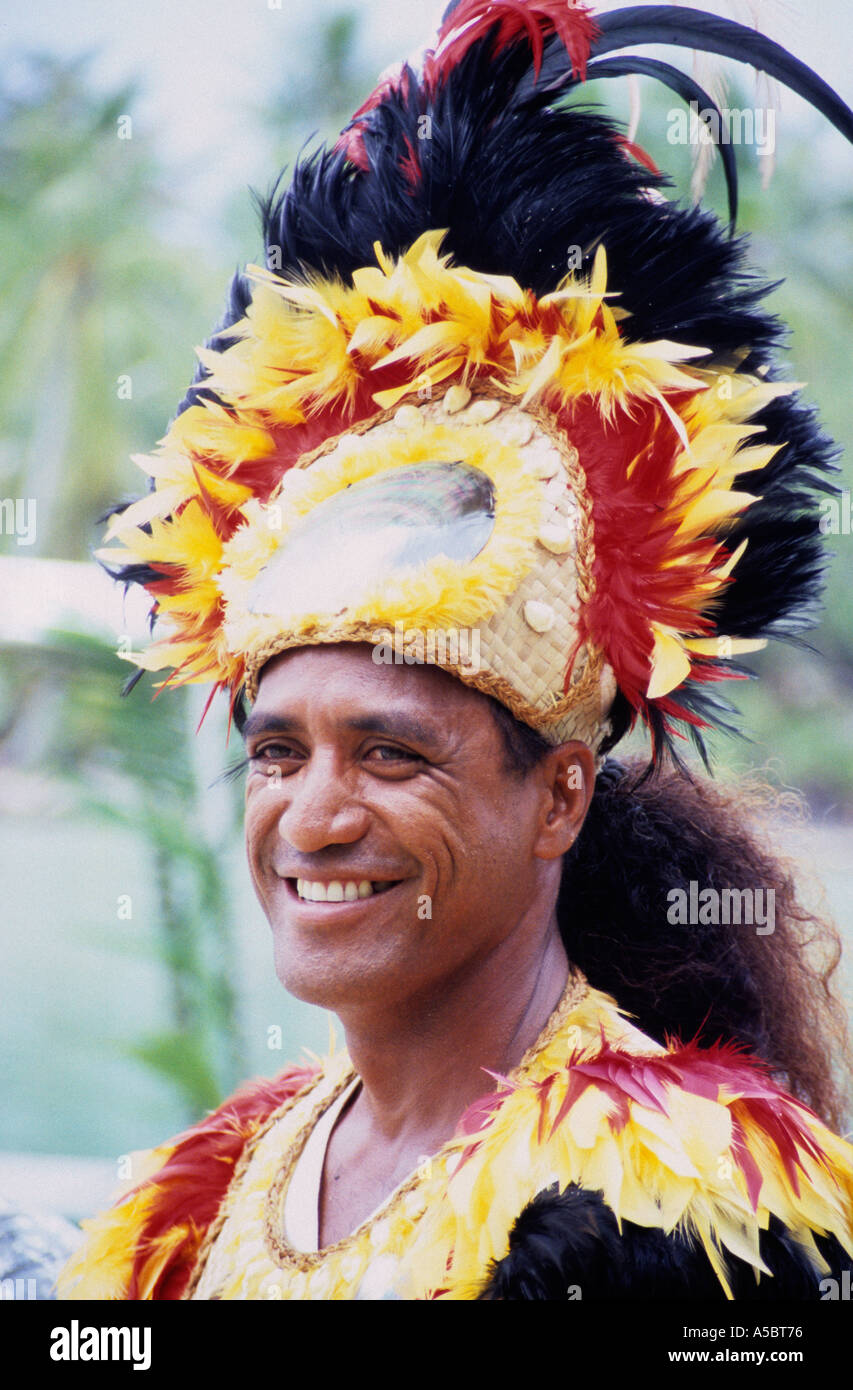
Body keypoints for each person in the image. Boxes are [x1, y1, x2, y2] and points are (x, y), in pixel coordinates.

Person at [57, 1, 853, 1300]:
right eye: (278, 750)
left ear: (556, 795)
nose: (311, 816)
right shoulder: (191, 1201)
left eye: (391, 752)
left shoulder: (670, 1200)